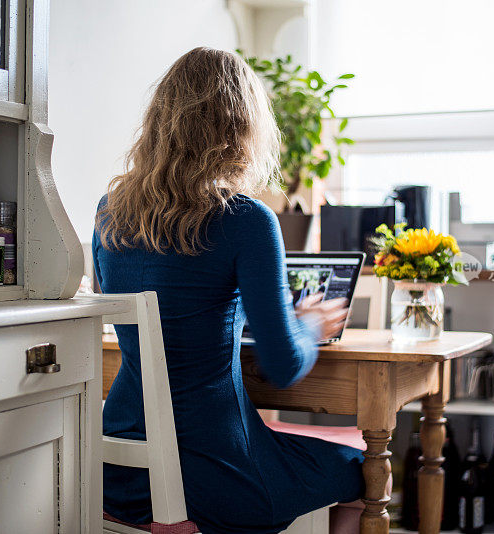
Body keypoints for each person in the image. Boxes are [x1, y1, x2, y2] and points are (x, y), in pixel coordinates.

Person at [94, 47, 365, 534]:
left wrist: (231, 312)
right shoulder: (246, 220)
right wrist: (309, 323)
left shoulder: (109, 211)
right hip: (212, 479)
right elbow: (283, 367)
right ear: (242, 128)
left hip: (120, 473)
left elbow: (163, 301)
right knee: (363, 467)